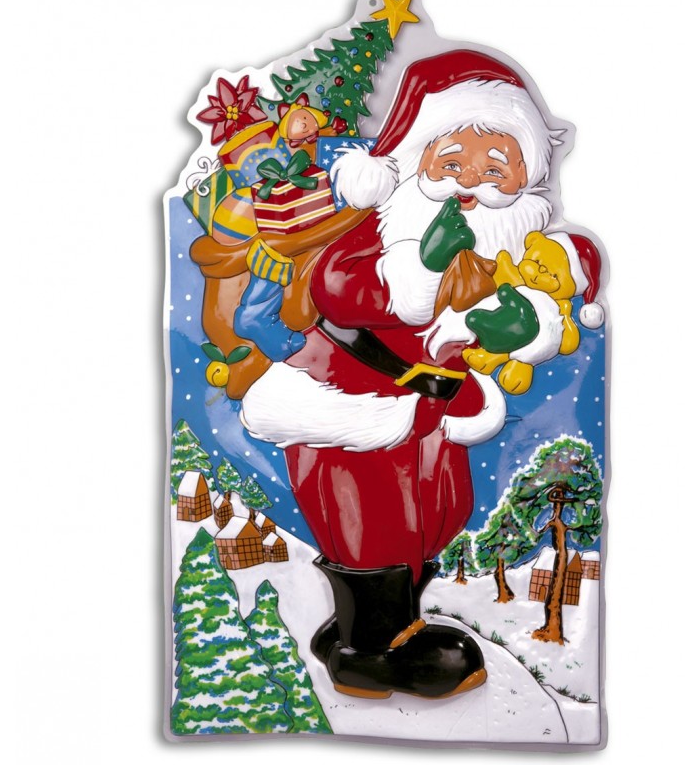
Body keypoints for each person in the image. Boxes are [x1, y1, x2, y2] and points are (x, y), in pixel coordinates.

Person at [227, 50, 582, 700]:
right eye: (452, 163)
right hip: (353, 398)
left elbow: (522, 303)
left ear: (525, 179)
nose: (472, 182)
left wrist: (521, 323)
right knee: (373, 521)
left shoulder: (507, 251)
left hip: (432, 412)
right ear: (418, 160)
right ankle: (370, 651)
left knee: (439, 513)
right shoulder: (386, 230)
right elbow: (339, 288)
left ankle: (372, 624)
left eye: (496, 168)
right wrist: (419, 272)